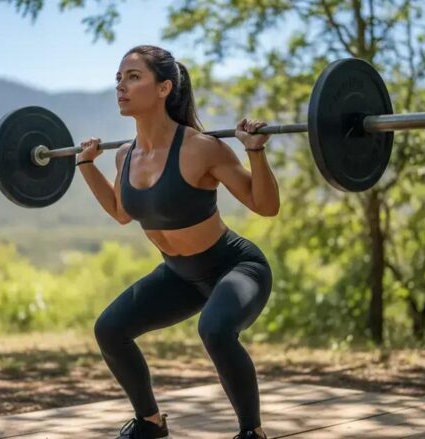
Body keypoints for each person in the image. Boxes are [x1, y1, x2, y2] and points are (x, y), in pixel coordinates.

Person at [76, 45, 279, 439]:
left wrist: (255, 153)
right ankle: (149, 423)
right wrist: (87, 167)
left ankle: (252, 433)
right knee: (110, 330)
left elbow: (264, 205)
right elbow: (121, 212)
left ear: (165, 87)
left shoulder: (201, 148)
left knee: (216, 330)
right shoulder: (125, 156)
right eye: (119, 78)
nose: (121, 86)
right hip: (178, 276)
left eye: (133, 77)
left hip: (234, 267)